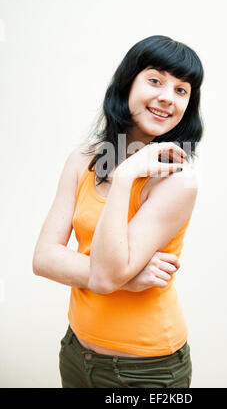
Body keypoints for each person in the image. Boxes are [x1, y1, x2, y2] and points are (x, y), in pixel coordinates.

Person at [32, 34, 204, 388]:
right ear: (127, 83)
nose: (167, 97)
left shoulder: (179, 179)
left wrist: (126, 174)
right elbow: (44, 258)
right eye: (155, 80)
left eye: (181, 90)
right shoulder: (83, 160)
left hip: (146, 370)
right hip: (77, 352)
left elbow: (107, 277)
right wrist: (126, 280)